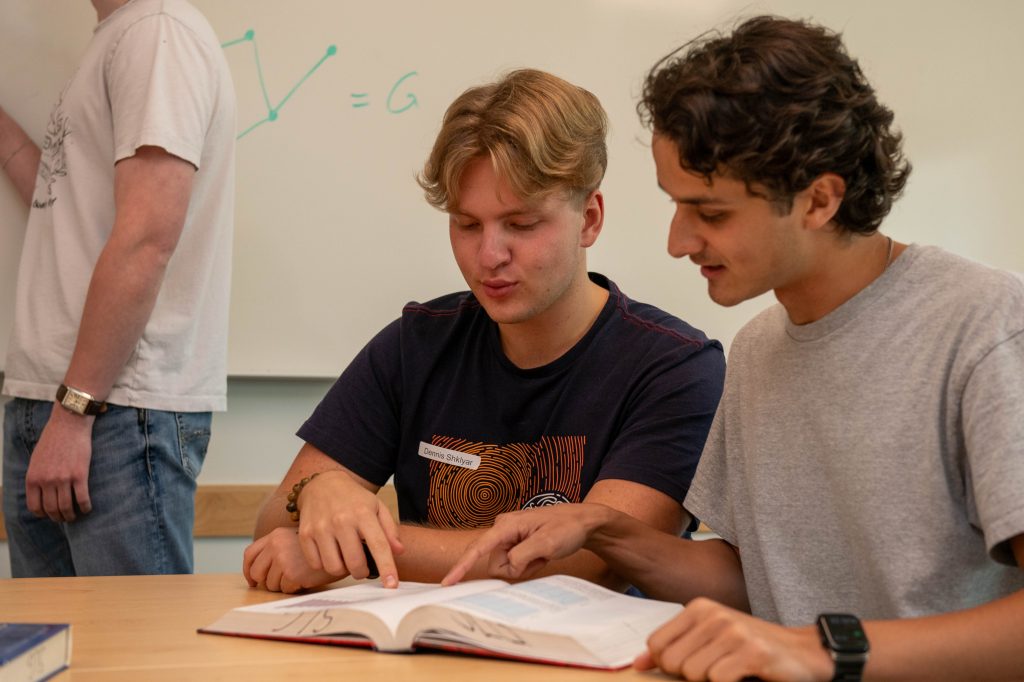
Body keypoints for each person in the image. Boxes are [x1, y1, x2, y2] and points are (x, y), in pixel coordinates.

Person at [443, 16, 1024, 681]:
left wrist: (818, 650)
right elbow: (757, 580)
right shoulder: (757, 351)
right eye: (675, 205)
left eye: (710, 213)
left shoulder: (987, 328)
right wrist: (605, 530)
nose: (678, 241)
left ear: (819, 199)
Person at [242, 68, 725, 594]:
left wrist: (356, 548)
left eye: (521, 224)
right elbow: (274, 532)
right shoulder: (414, 346)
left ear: (589, 218)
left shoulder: (676, 367)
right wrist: (319, 492)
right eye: (467, 224)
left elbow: (594, 561)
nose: (489, 256)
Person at [1, 0, 236, 576]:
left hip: (110, 411)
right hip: (66, 404)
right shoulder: (124, 36)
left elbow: (147, 239)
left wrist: (75, 411)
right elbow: (66, 205)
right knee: (54, 661)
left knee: (132, 659)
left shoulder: (159, 33)